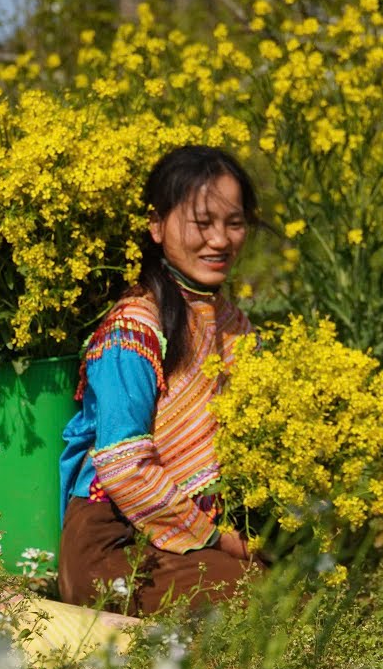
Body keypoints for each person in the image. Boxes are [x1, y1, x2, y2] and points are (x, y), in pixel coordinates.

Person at [56, 145, 261, 616]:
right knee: (261, 601)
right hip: (114, 542)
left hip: (200, 532)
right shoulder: (134, 330)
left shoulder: (235, 326)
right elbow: (125, 467)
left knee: (304, 586)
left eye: (234, 223)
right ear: (156, 225)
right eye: (202, 222)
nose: (221, 240)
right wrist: (217, 539)